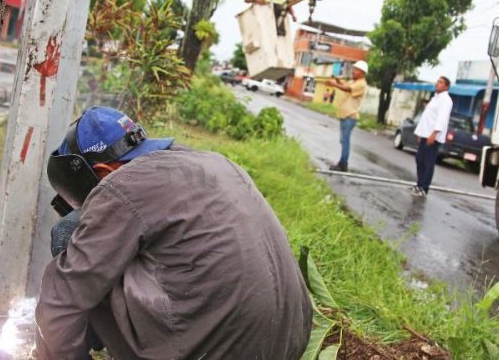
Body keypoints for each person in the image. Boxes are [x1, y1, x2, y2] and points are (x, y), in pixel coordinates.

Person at [36, 106, 312, 359]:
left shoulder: (123, 183)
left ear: (105, 170)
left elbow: (61, 299)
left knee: (68, 234)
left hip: (216, 352)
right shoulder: (215, 162)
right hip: (288, 340)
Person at [410, 76, 452, 197]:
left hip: (433, 136)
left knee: (428, 162)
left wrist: (434, 133)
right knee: (419, 159)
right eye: (437, 81)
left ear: (446, 86)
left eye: (440, 82)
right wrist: (421, 133)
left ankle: (424, 188)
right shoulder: (435, 98)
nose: (437, 83)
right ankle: (419, 185)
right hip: (425, 134)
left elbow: (442, 119)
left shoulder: (446, 100)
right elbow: (426, 117)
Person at [326, 60, 368, 172]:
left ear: (362, 73)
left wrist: (334, 84)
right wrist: (337, 79)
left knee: (345, 141)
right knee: (343, 140)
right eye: (354, 70)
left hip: (350, 116)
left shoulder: (361, 84)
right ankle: (342, 163)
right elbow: (345, 85)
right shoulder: (354, 82)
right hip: (345, 115)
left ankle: (343, 164)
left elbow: (347, 89)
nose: (353, 72)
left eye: (356, 70)